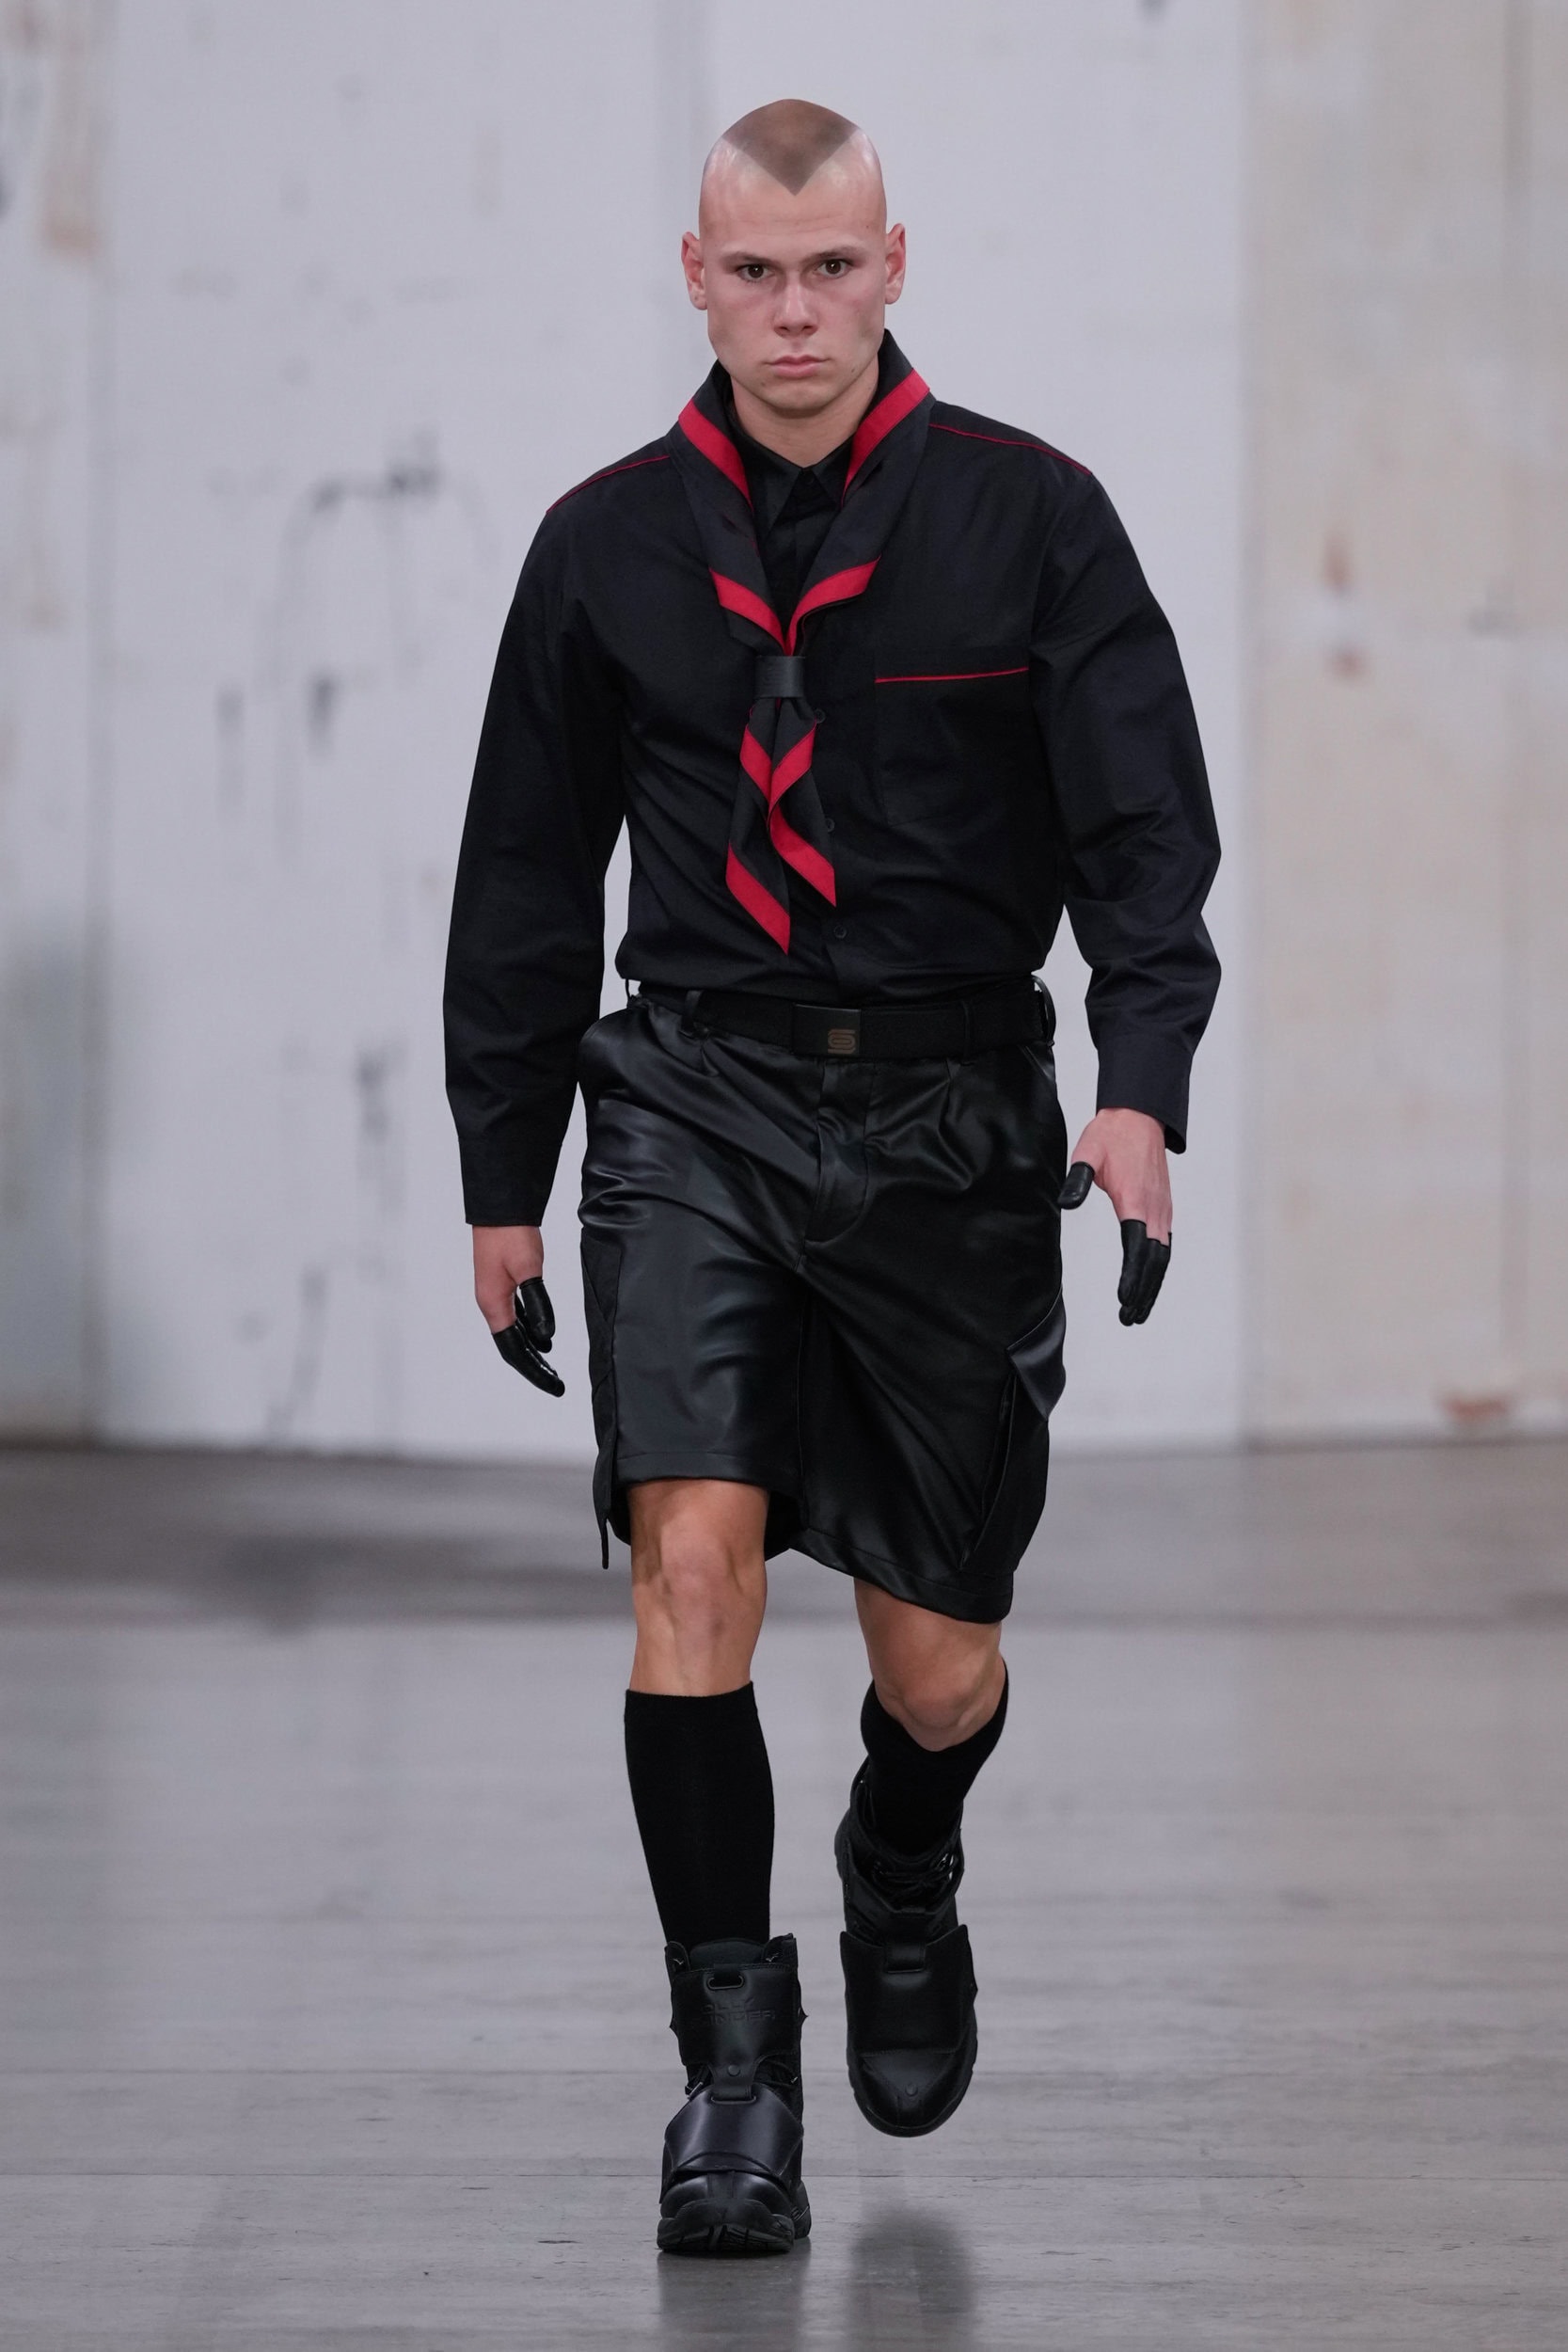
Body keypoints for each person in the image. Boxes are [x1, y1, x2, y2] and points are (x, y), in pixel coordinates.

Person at [444, 97, 1219, 2258]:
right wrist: (504, 1167)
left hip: (955, 1118)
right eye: (756, 272)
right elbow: (528, 872)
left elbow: (1145, 832)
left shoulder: (1034, 521)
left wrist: (1139, 1089)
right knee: (686, 1566)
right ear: (696, 279)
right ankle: (730, 2071)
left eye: (833, 269)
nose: (795, 313)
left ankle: (903, 1853)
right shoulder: (602, 549)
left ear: (894, 267)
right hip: (693, 1095)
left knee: (939, 1653)